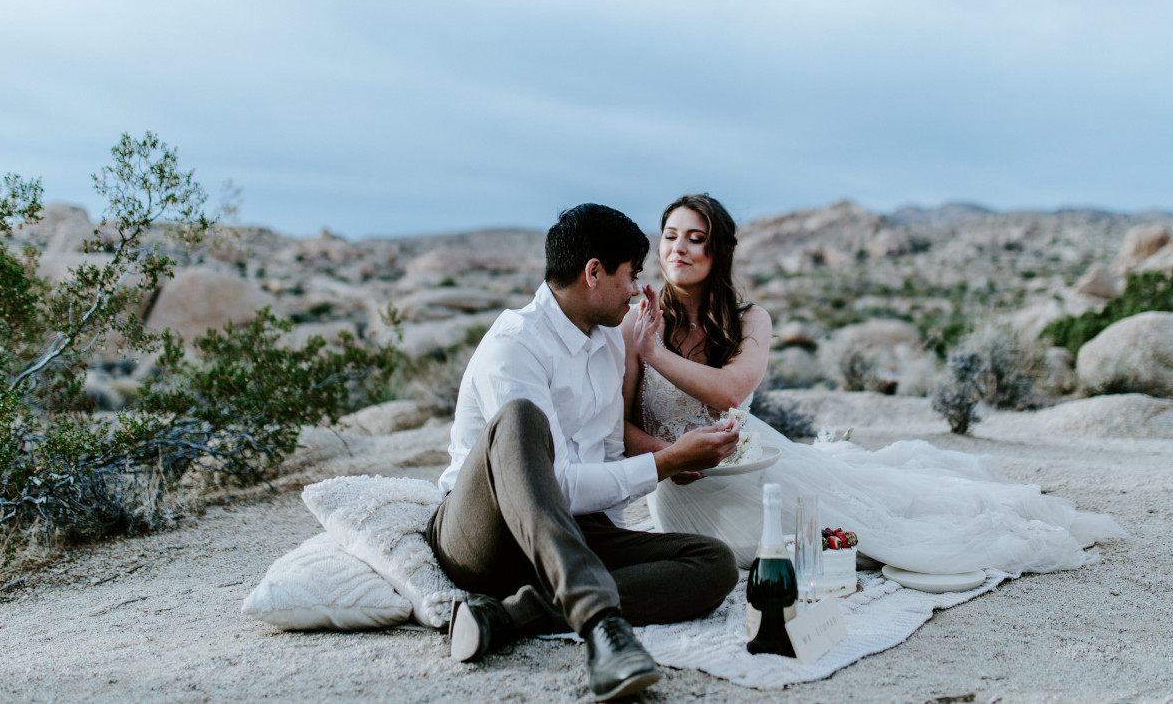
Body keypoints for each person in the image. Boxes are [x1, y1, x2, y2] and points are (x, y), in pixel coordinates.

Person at [623, 194, 1126, 572]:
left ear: (719, 249)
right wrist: (670, 460)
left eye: (695, 237)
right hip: (677, 490)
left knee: (868, 539)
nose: (679, 248)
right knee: (764, 555)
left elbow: (732, 391)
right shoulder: (635, 324)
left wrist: (657, 356)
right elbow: (619, 426)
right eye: (670, 235)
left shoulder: (751, 320)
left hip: (752, 470)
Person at [427, 203, 742, 702]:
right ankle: (602, 628)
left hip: (572, 531)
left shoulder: (609, 344)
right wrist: (666, 463)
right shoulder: (515, 345)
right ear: (593, 272)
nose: (638, 288)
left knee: (713, 563)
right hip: (486, 535)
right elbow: (558, 484)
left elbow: (607, 461)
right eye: (630, 274)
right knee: (521, 418)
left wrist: (672, 461)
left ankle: (513, 615)